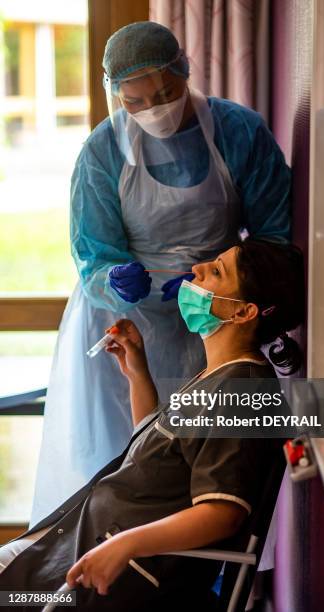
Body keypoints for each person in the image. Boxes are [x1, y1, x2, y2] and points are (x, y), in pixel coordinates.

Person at [31, 21, 292, 525]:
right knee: (122, 461)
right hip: (128, 323)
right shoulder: (102, 152)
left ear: (186, 71)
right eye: (135, 101)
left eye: (166, 93)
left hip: (210, 314)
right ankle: (108, 564)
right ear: (116, 97)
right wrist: (112, 280)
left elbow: (272, 243)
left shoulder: (238, 134)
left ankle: (193, 572)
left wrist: (206, 280)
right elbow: (92, 253)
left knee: (208, 462)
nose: (154, 109)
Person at [1, 240, 304, 611]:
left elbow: (222, 513)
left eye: (217, 271)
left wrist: (124, 544)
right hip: (81, 542)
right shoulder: (219, 376)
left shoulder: (239, 391)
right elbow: (162, 450)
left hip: (107, 577)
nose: (197, 270)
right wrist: (137, 371)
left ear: (243, 313)